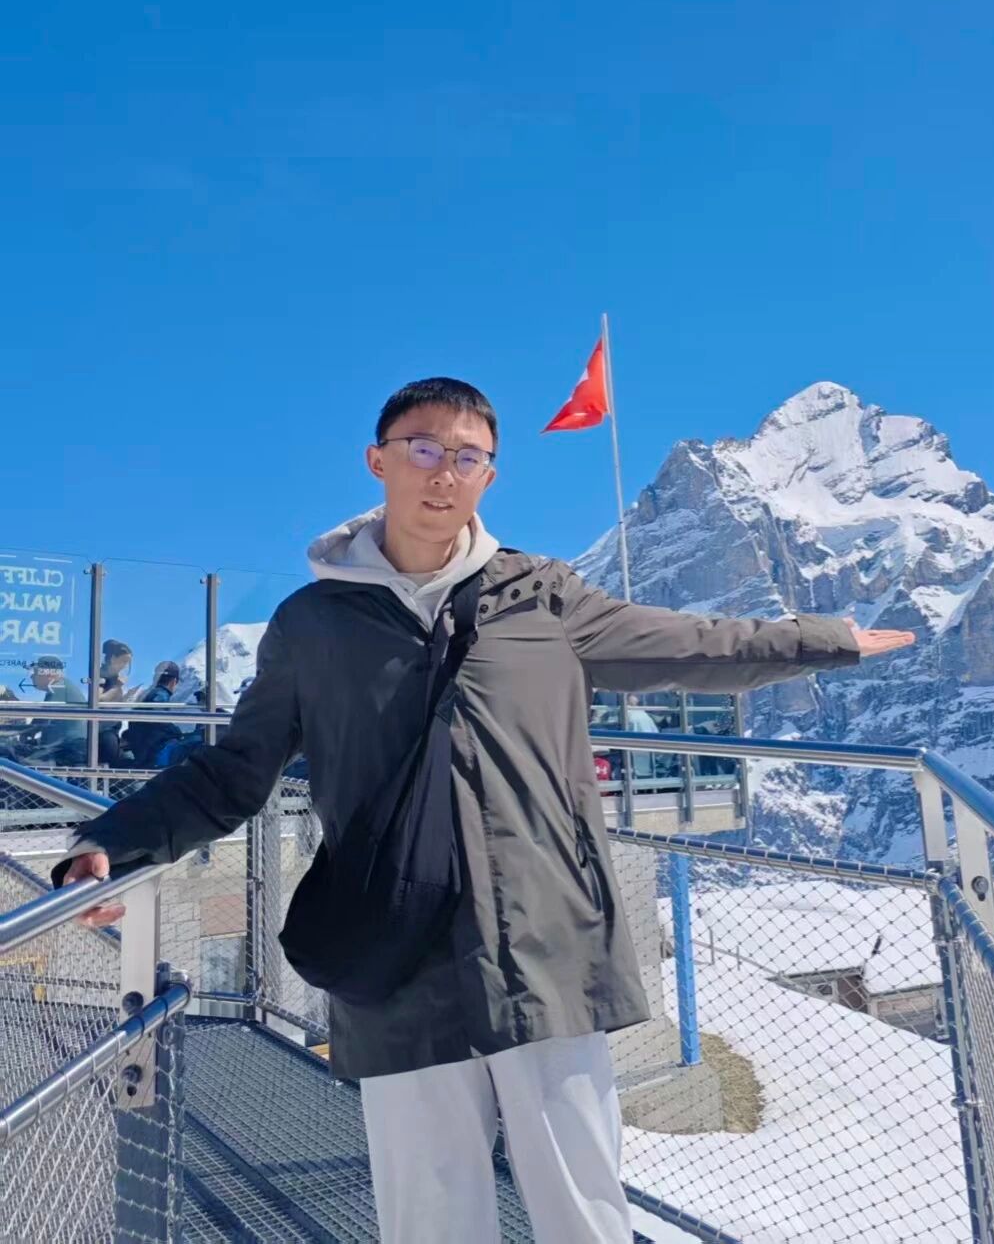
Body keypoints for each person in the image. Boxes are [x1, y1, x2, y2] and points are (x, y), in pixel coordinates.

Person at [56, 376, 916, 1243]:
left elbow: (689, 645)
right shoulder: (312, 626)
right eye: (424, 448)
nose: (444, 472)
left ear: (489, 476)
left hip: (543, 944)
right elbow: (233, 771)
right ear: (378, 461)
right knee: (430, 1218)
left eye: (468, 457)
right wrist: (117, 843)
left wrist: (824, 639)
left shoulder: (542, 595)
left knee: (583, 1209)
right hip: (394, 955)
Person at [25, 655, 87, 767]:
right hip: (66, 747)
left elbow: (42, 720)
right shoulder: (61, 686)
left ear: (49, 674)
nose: (32, 676)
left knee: (20, 762)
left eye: (35, 672)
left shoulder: (59, 688)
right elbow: (41, 719)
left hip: (68, 750)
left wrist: (24, 732)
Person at [123, 661, 183, 768]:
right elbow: (158, 718)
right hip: (154, 751)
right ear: (174, 681)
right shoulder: (161, 695)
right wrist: (176, 732)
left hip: (143, 749)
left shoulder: (148, 694)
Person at [96, 639, 134, 766]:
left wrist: (126, 698)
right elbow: (98, 699)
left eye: (127, 663)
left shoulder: (114, 677)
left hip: (112, 729)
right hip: (103, 732)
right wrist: (117, 687)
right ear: (112, 658)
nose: (125, 666)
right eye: (123, 661)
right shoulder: (101, 675)